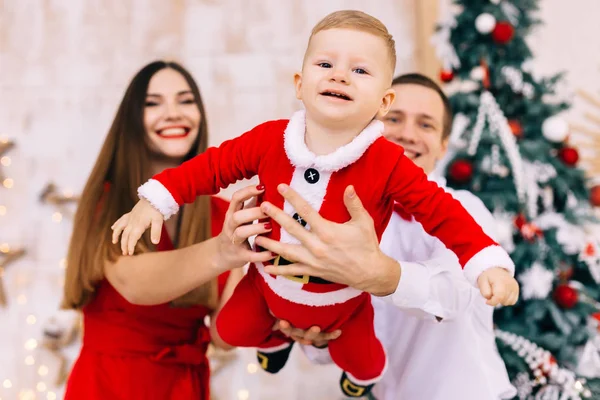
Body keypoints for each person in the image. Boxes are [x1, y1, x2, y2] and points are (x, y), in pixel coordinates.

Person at [112, 11, 518, 397]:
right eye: (325, 64)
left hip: (427, 374)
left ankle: (360, 378)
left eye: (359, 70)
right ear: (299, 83)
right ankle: (275, 341)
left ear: (381, 103)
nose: (340, 75)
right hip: (270, 288)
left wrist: (486, 261)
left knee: (362, 360)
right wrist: (157, 199)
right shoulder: (271, 140)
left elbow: (447, 225)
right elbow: (213, 166)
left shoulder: (396, 170)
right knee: (234, 329)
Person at [262, 73, 518, 399]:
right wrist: (319, 338)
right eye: (394, 118)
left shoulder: (466, 209)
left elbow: (460, 295)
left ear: (442, 146)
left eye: (425, 125)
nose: (407, 134)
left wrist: (385, 275)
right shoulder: (336, 212)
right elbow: (337, 331)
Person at [61, 61, 274, 400]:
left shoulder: (221, 213)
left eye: (186, 101)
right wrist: (223, 251)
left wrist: (290, 310)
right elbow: (135, 284)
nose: (174, 113)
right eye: (153, 103)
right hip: (111, 385)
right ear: (131, 121)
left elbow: (222, 335)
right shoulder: (109, 199)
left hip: (185, 386)